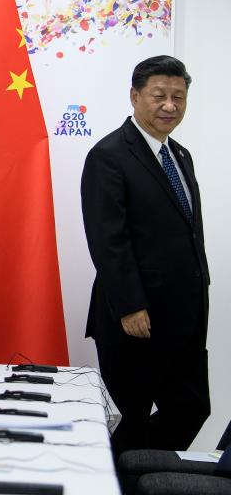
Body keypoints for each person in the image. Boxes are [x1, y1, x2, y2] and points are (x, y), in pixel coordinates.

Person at [81, 55, 210, 456]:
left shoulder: (181, 155)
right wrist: (131, 305)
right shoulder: (109, 156)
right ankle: (120, 476)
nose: (170, 105)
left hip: (184, 317)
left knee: (191, 408)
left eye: (179, 97)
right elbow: (108, 240)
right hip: (136, 319)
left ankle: (135, 473)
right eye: (159, 96)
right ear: (135, 96)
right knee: (133, 415)